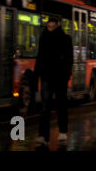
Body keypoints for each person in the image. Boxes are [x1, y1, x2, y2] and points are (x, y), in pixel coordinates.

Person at [34, 17, 73, 146]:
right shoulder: (43, 38)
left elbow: (69, 59)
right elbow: (39, 57)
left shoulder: (65, 39)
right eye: (48, 26)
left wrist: (66, 75)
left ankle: (62, 131)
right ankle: (43, 135)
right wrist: (37, 75)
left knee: (61, 104)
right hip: (46, 77)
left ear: (57, 26)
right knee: (45, 106)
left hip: (60, 77)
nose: (49, 29)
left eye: (52, 26)